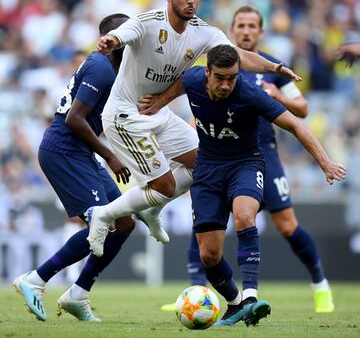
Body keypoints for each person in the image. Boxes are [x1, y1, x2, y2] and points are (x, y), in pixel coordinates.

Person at [86, 0, 301, 258]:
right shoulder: (148, 22)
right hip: (126, 116)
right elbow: (124, 33)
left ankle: (152, 211)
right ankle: (104, 214)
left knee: (204, 162)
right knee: (164, 185)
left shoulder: (204, 32)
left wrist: (274, 68)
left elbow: (239, 56)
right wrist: (111, 40)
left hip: (157, 114)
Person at [137, 44, 346, 326]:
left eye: (232, 78)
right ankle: (235, 304)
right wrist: (158, 103)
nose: (226, 85)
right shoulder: (193, 79)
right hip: (207, 168)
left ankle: (250, 297)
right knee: (209, 255)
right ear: (207, 73)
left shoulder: (249, 93)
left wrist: (325, 163)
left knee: (245, 215)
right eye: (220, 77)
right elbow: (174, 88)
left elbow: (296, 125)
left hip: (245, 164)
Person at [13, 13, 134, 322]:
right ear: (112, 36)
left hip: (81, 153)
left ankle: (78, 294)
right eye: (129, 33)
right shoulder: (100, 66)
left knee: (124, 223)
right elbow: (74, 119)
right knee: (102, 224)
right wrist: (110, 156)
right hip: (64, 151)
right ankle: (36, 279)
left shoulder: (116, 69)